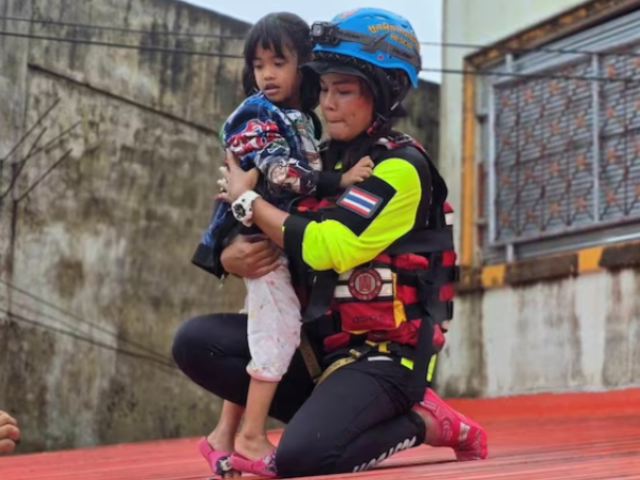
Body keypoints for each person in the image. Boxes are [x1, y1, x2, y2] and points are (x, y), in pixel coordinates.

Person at [174, 7, 488, 479]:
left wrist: (248, 202)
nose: (329, 104)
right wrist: (229, 256)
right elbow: (260, 224)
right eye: (323, 90)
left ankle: (424, 422)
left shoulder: (400, 168)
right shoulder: (315, 159)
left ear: (384, 94)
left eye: (344, 92)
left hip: (387, 359)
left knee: (303, 458)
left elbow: (328, 247)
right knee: (195, 343)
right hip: (319, 353)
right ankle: (331, 417)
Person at [189, 11, 375, 478]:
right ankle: (250, 436)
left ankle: (222, 437)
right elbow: (279, 173)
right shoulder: (257, 115)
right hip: (261, 238)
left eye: (278, 62)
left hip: (272, 240)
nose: (267, 74)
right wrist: (340, 180)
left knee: (264, 329)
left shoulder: (302, 120)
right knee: (278, 330)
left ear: (302, 67)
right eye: (258, 65)